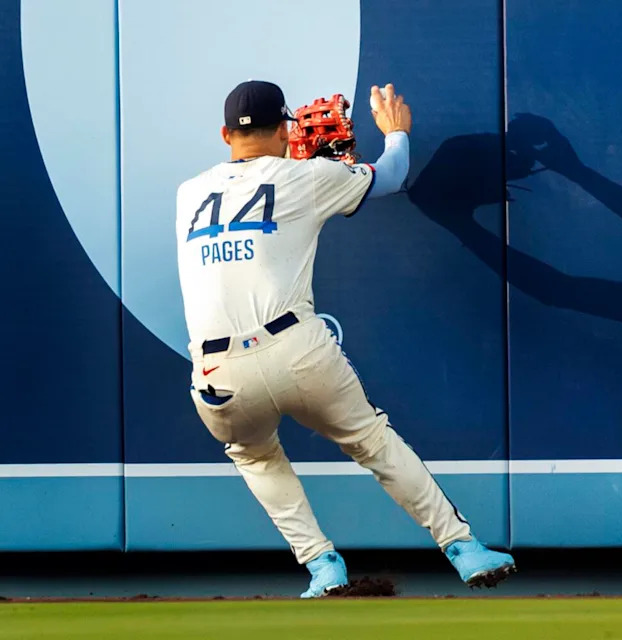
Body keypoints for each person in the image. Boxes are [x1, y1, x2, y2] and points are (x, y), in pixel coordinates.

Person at [175, 80, 515, 597]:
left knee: (256, 457)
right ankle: (464, 550)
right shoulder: (307, 178)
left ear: (225, 134)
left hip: (216, 374)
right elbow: (393, 175)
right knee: (371, 441)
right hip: (293, 349)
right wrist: (396, 135)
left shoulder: (189, 193)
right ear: (288, 128)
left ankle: (320, 565)